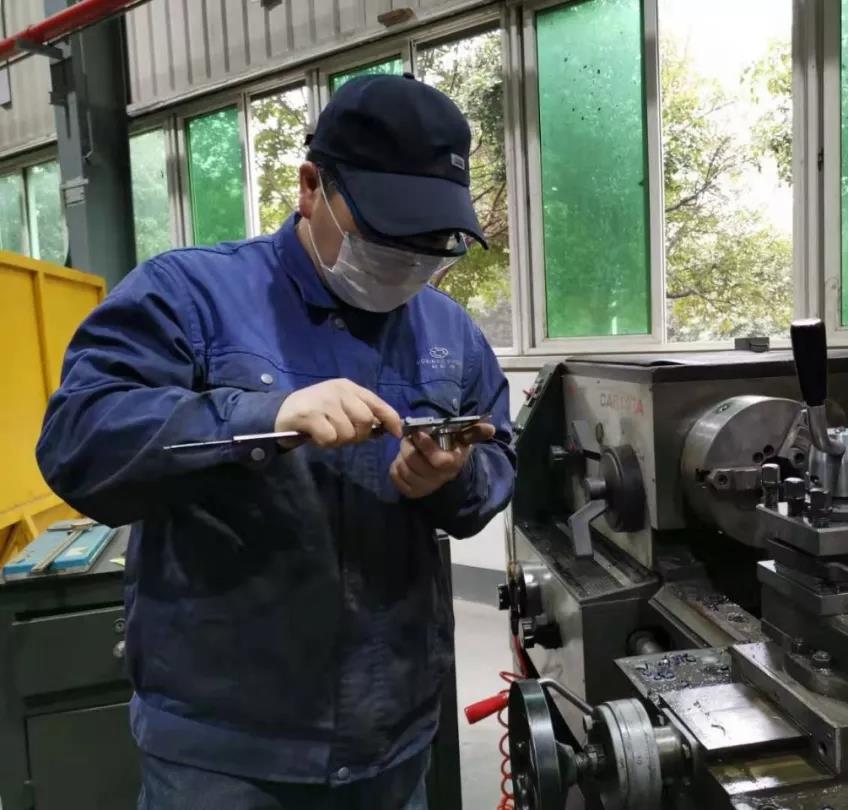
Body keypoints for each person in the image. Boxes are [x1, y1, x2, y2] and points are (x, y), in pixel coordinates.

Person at [35, 74, 515, 810]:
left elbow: (495, 461)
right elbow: (79, 441)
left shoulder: (450, 333)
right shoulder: (188, 296)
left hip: (392, 741)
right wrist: (262, 418)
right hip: (225, 756)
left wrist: (452, 477)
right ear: (311, 186)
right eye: (386, 232)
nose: (408, 260)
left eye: (430, 243)